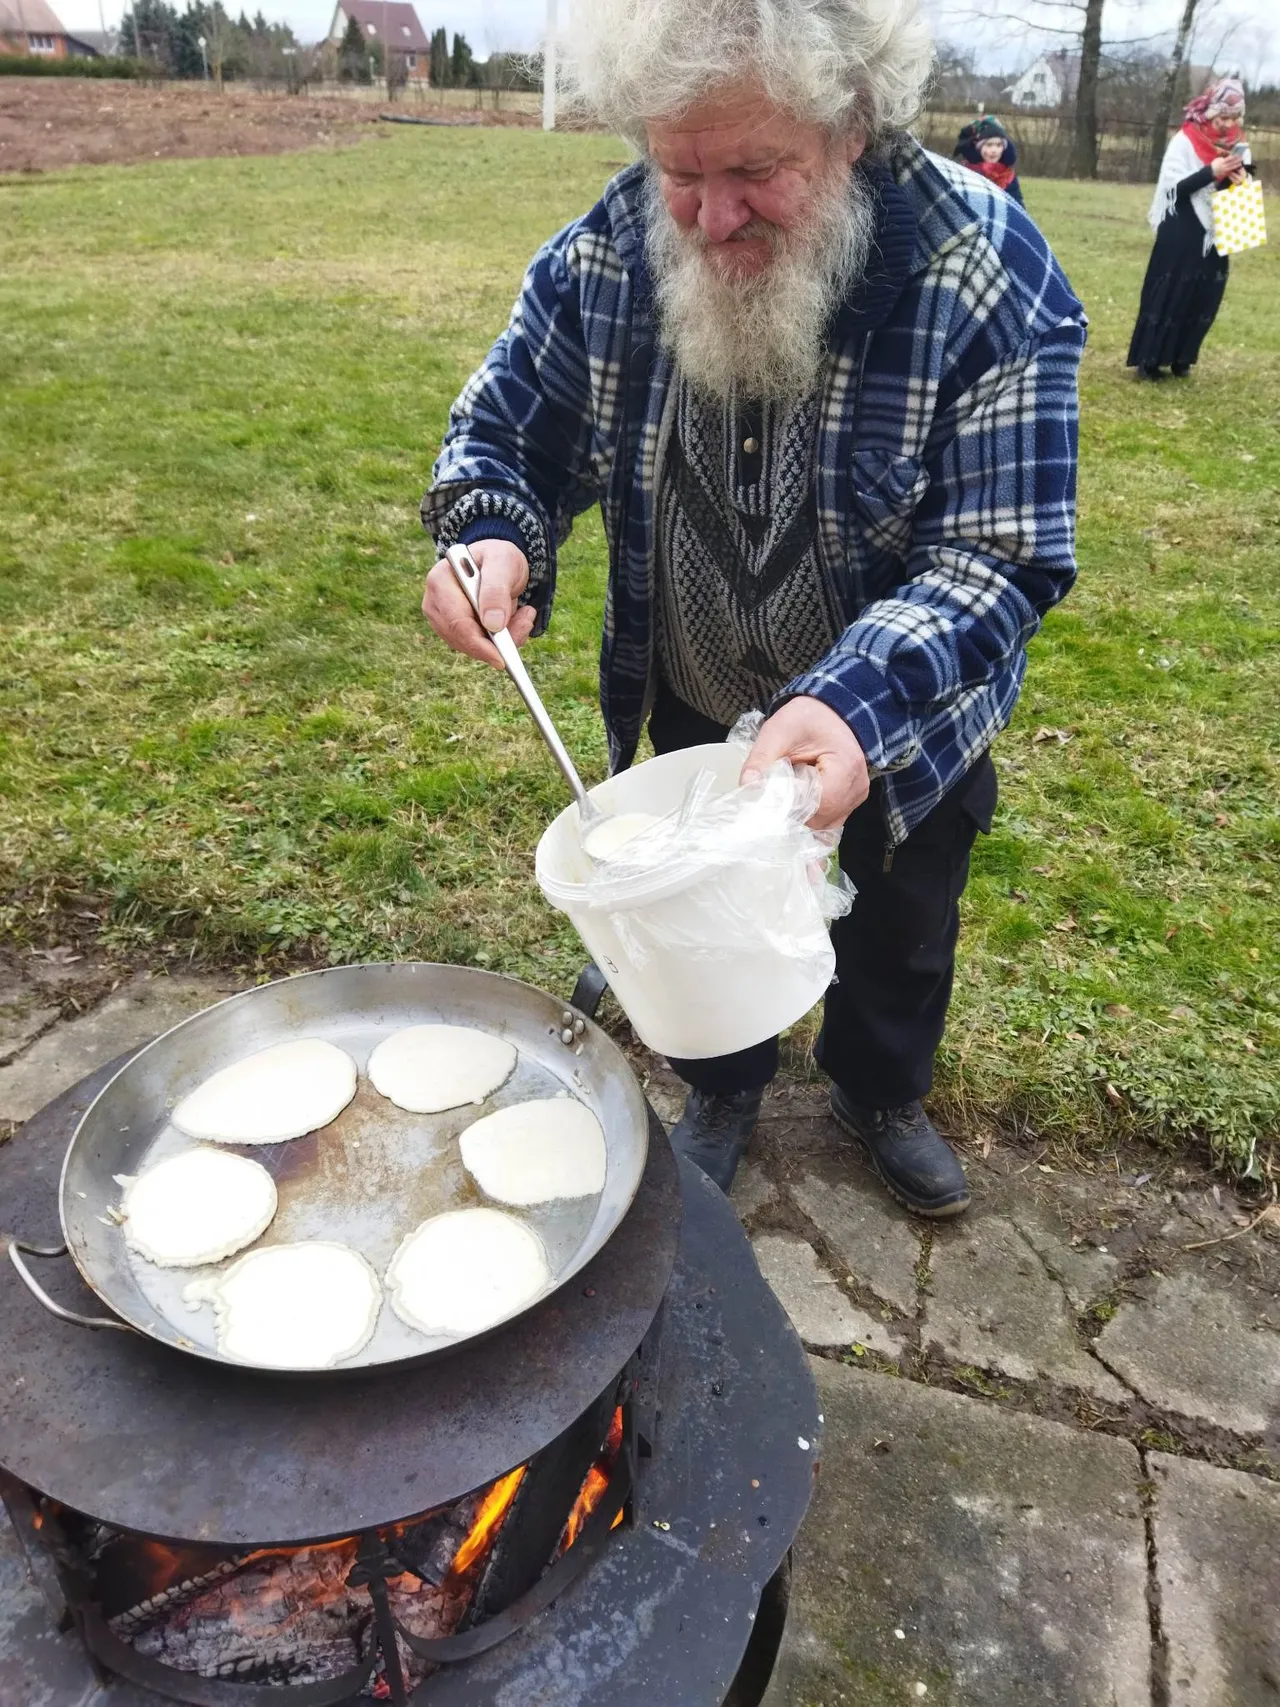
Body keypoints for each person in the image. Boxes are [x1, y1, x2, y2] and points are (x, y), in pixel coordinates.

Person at [420, 0, 1085, 1218]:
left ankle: (876, 1088)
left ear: (854, 129)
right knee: (695, 927)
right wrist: (490, 532)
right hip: (697, 692)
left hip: (897, 721)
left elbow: (1000, 553)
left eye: (754, 171)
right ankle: (720, 1080)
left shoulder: (985, 272)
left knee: (898, 922)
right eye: (679, 170)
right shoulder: (610, 249)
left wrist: (847, 701)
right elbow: (506, 430)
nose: (711, 218)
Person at [1128, 77, 1253, 379]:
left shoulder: (1239, 145)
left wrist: (1241, 184)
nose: (1227, 124)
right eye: (1223, 116)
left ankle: (1183, 357)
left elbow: (1238, 197)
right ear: (1210, 112)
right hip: (1181, 225)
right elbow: (1173, 189)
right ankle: (1150, 359)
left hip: (1215, 231)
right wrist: (1211, 171)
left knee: (1205, 292)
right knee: (1172, 290)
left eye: (1234, 117)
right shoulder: (1185, 140)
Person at [955, 115, 1024, 206]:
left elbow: (1018, 208)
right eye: (989, 145)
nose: (994, 150)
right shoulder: (965, 173)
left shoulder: (1008, 176)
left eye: (999, 145)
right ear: (979, 148)